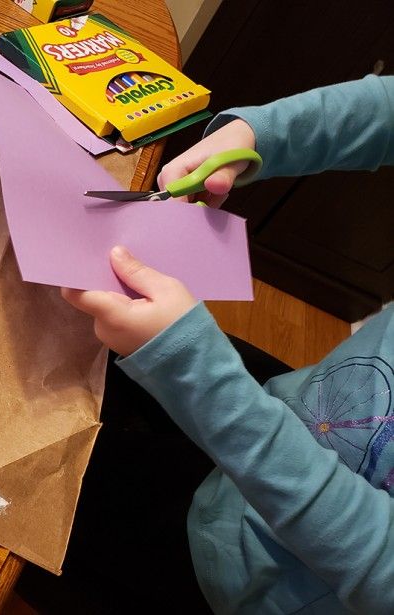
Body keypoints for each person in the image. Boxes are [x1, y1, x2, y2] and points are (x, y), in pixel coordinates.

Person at [48, 74, 394, 614]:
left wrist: (193, 370)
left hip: (253, 584)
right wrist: (257, 135)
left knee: (32, 507)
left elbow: (380, 567)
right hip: (283, 414)